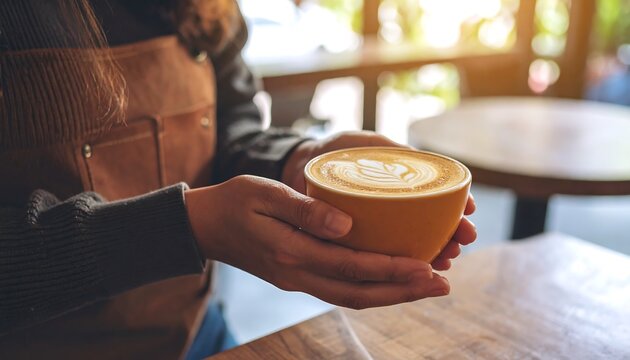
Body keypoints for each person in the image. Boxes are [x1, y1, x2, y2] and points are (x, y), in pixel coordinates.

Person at [0, 0, 477, 359]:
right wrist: (187, 227)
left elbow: (231, 124)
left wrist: (295, 160)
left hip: (197, 336)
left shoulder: (202, 8)